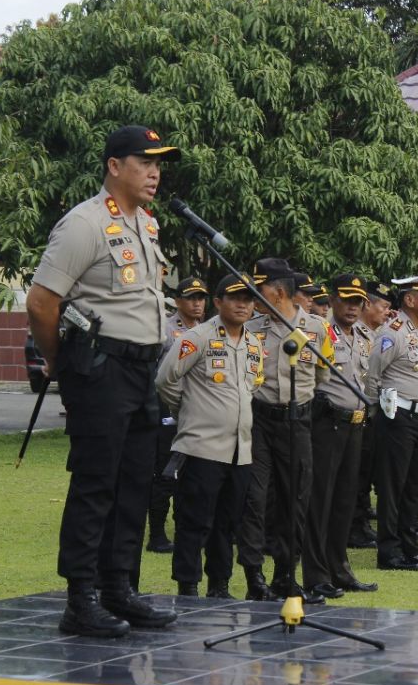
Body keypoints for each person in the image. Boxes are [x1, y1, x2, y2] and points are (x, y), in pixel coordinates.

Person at [26, 125, 179, 638]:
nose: (155, 172)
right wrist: (58, 361)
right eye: (144, 161)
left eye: (159, 163)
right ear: (115, 166)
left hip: (140, 370)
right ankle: (81, 598)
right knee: (96, 484)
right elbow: (42, 302)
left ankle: (119, 588)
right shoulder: (84, 224)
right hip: (100, 368)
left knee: (135, 482)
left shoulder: (147, 225)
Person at [156, 274, 262, 600]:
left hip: (239, 451)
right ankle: (188, 587)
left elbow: (251, 388)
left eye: (248, 298)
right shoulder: (197, 337)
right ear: (218, 302)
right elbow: (165, 379)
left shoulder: (253, 343)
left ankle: (220, 586)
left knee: (227, 526)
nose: (242, 304)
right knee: (193, 522)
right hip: (201, 447)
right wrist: (188, 412)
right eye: (234, 298)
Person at [236, 258, 333, 604]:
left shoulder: (318, 329)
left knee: (296, 499)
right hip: (260, 421)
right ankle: (254, 577)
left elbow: (322, 376)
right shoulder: (253, 328)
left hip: (298, 421)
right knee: (255, 499)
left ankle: (286, 576)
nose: (252, 297)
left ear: (278, 293)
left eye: (258, 291)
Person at [303, 274, 378, 599]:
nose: (352, 307)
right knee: (321, 500)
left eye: (358, 301)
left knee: (346, 501)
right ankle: (317, 575)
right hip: (327, 424)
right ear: (332, 300)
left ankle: (340, 570)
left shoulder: (365, 336)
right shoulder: (320, 331)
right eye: (346, 300)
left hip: (356, 424)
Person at [367, 270, 418, 571]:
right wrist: (379, 413)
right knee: (393, 487)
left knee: (414, 487)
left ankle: (410, 548)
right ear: (410, 299)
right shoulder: (393, 331)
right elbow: (373, 377)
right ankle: (389, 551)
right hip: (398, 416)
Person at [147, 276, 209, 554]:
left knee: (194, 474)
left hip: (198, 410)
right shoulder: (165, 328)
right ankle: (157, 534)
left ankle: (187, 528)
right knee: (164, 472)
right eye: (191, 298)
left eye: (201, 298)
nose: (197, 303)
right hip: (168, 411)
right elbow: (155, 373)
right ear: (179, 301)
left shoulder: (208, 329)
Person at [349, 279, 394, 549]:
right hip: (356, 413)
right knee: (356, 474)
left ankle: (362, 522)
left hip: (375, 414)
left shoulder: (381, 335)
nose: (387, 312)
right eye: (383, 305)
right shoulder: (352, 332)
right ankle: (354, 526)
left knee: (367, 471)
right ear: (367, 305)